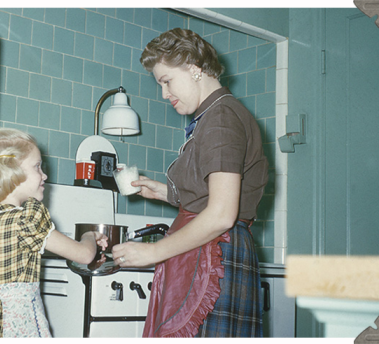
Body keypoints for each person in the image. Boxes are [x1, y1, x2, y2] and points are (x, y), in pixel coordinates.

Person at [111, 28, 268, 338]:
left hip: (215, 253)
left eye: (166, 81)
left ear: (195, 69)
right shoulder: (215, 115)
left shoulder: (220, 118)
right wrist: (165, 191)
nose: (164, 94)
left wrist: (154, 252)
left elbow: (221, 214)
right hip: (212, 250)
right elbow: (210, 194)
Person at [0, 128, 107, 338]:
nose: (45, 175)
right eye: (37, 167)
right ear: (10, 172)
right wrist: (90, 235)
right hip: (17, 320)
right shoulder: (27, 219)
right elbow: (84, 255)